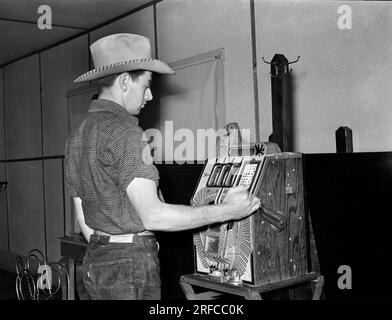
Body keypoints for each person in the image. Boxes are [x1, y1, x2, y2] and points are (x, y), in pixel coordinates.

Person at [64, 33, 261, 300]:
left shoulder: (78, 135)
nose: (150, 95)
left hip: (96, 261)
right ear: (124, 82)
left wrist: (109, 251)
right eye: (146, 85)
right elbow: (154, 216)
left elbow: (82, 219)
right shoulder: (125, 132)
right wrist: (229, 210)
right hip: (129, 266)